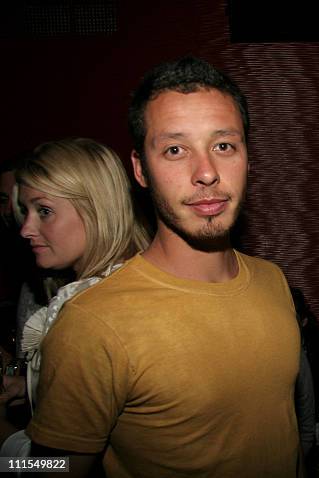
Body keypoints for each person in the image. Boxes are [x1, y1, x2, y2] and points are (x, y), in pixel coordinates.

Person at [27, 57, 303, 477]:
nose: (206, 172)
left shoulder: (272, 280)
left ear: (248, 155)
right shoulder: (91, 323)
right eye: (175, 150)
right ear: (140, 169)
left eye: (224, 146)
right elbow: (47, 466)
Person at [0, 137, 149, 459]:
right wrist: (30, 386)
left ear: (96, 208)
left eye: (44, 211)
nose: (26, 228)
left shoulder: (91, 317)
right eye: (25, 211)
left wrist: (2, 439)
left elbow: (57, 467)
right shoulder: (132, 281)